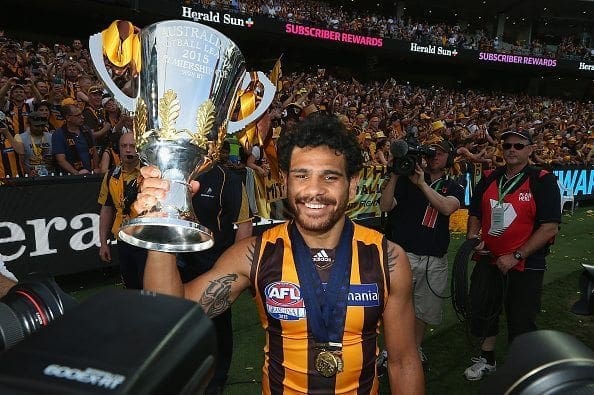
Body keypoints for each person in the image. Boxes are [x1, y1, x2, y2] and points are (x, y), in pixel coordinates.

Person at [138, 113, 424, 394]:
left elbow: (402, 362)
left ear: (352, 183)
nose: (314, 190)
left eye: (330, 176)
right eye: (302, 175)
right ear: (285, 179)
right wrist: (162, 218)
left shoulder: (388, 259)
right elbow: (171, 316)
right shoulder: (255, 254)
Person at [463, 129, 560, 381]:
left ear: (530, 149)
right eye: (507, 145)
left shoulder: (543, 179)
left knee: (521, 316)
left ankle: (523, 368)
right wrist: (473, 238)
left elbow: (550, 226)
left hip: (526, 263)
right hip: (488, 258)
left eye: (518, 145)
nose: (511, 150)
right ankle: (487, 359)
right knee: (485, 309)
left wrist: (516, 255)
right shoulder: (490, 177)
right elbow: (474, 212)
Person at [379, 139, 464, 366]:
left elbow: (446, 207)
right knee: (394, 305)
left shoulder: (453, 185)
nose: (435, 156)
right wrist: (396, 173)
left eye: (441, 153)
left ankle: (414, 349)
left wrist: (422, 185)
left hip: (433, 257)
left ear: (449, 158)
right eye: (431, 152)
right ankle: (389, 350)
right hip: (401, 253)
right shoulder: (405, 179)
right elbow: (385, 206)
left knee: (423, 311)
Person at [177, 153, 252, 395]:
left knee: (217, 324)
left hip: (214, 262)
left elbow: (245, 224)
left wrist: (234, 264)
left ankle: (217, 378)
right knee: (178, 321)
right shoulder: (177, 172)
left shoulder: (227, 179)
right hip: (180, 261)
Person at [98, 132, 146, 289]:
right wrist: (103, 243)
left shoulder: (150, 173)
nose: (128, 150)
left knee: (149, 286)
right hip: (123, 240)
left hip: (147, 240)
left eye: (132, 146)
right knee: (130, 285)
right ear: (118, 149)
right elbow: (106, 210)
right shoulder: (111, 175)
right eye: (124, 146)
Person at [52, 103, 98, 174]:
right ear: (68, 118)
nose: (82, 117)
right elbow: (61, 160)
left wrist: (96, 168)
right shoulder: (58, 134)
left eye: (81, 114)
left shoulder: (86, 130)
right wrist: (76, 173)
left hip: (90, 173)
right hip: (71, 177)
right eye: (78, 115)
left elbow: (94, 151)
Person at [13, 111, 53, 176]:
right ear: (29, 125)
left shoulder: (51, 137)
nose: (40, 129)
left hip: (50, 175)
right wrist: (28, 172)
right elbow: (21, 162)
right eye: (36, 126)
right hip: (30, 177)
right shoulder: (21, 138)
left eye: (42, 126)